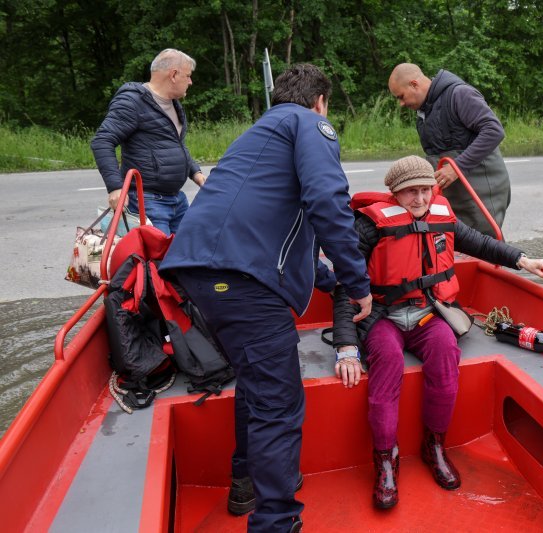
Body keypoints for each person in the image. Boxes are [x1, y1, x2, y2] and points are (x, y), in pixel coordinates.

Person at [159, 64, 372, 532]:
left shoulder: (258, 134)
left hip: (201, 273)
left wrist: (324, 278)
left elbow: (264, 227)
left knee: (256, 383)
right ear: (320, 101)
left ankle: (244, 481)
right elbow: (327, 201)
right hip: (241, 282)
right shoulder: (309, 123)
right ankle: (277, 523)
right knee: (279, 401)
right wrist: (358, 283)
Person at [331, 155, 543, 509]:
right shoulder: (369, 226)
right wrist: (344, 346)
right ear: (394, 193)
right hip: (382, 317)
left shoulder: (441, 216)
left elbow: (481, 243)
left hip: (426, 314)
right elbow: (345, 286)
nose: (419, 200)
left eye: (425, 191)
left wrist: (523, 260)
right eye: (410, 193)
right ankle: (385, 460)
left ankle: (434, 447)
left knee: (446, 352)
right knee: (386, 362)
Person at [388, 63, 512, 237]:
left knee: (487, 248)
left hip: (481, 193)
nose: (401, 103)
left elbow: (494, 131)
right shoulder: (422, 114)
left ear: (414, 84)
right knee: (459, 245)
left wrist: (457, 167)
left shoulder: (459, 94)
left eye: (401, 96)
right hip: (455, 196)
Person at [91, 48, 206, 235]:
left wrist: (196, 173)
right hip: (149, 202)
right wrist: (115, 187)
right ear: (174, 75)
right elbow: (102, 141)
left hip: (177, 200)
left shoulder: (173, 104)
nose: (191, 82)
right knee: (159, 262)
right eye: (188, 76)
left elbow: (174, 144)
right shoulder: (132, 102)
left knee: (188, 255)